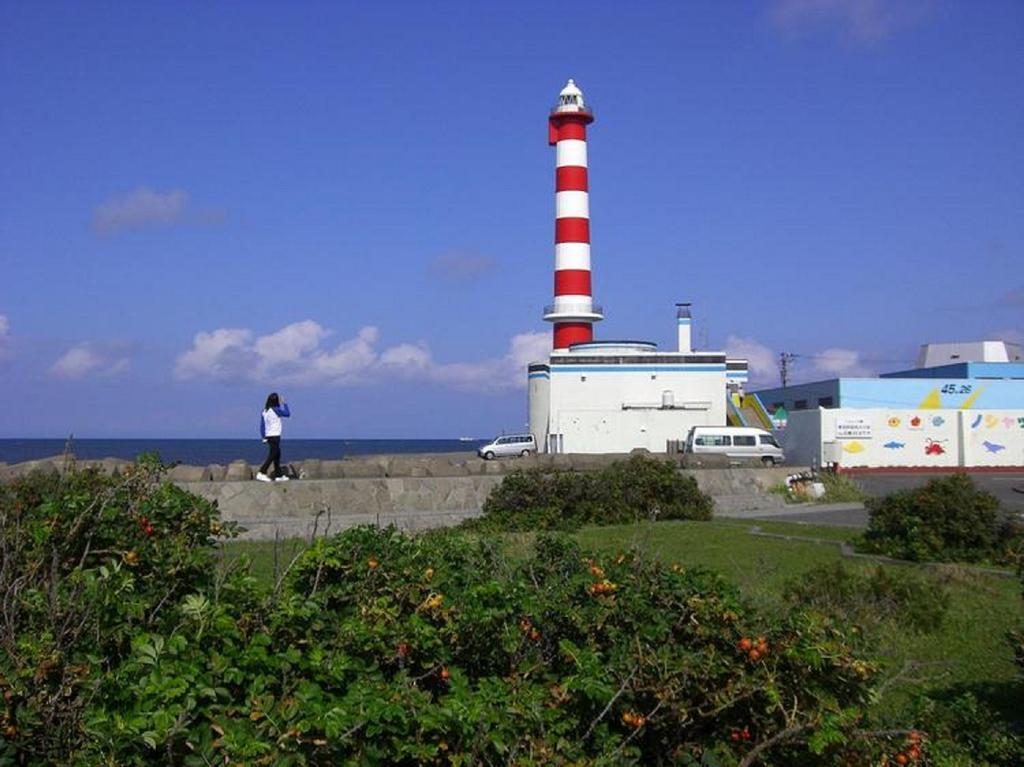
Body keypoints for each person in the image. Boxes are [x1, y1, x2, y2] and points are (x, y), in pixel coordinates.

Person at [257, 392, 291, 482]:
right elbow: (287, 414)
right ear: (276, 401)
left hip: (268, 436)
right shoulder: (276, 410)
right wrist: (284, 403)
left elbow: (262, 425)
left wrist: (263, 437)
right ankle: (261, 472)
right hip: (275, 435)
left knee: (277, 455)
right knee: (273, 455)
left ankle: (278, 475)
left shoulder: (264, 411)